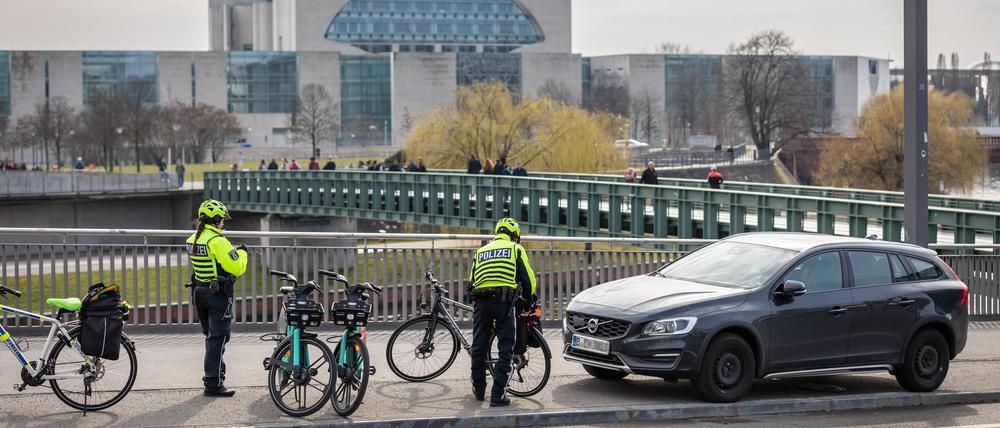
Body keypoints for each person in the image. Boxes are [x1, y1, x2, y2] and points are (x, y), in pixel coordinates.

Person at [468, 218, 537, 407]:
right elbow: (529, 280)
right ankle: (498, 395)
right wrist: (529, 302)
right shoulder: (515, 249)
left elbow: (471, 282)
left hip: (481, 303)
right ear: (514, 235)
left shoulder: (480, 251)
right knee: (506, 348)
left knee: (479, 346)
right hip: (504, 303)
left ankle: (479, 391)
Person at [186, 200, 247, 397]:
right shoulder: (218, 241)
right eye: (222, 220)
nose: (223, 224)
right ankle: (213, 382)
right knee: (219, 338)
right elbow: (236, 267)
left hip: (199, 292)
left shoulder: (193, 239)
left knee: (211, 337)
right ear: (217, 220)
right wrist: (242, 253)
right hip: (216, 295)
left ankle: (215, 375)